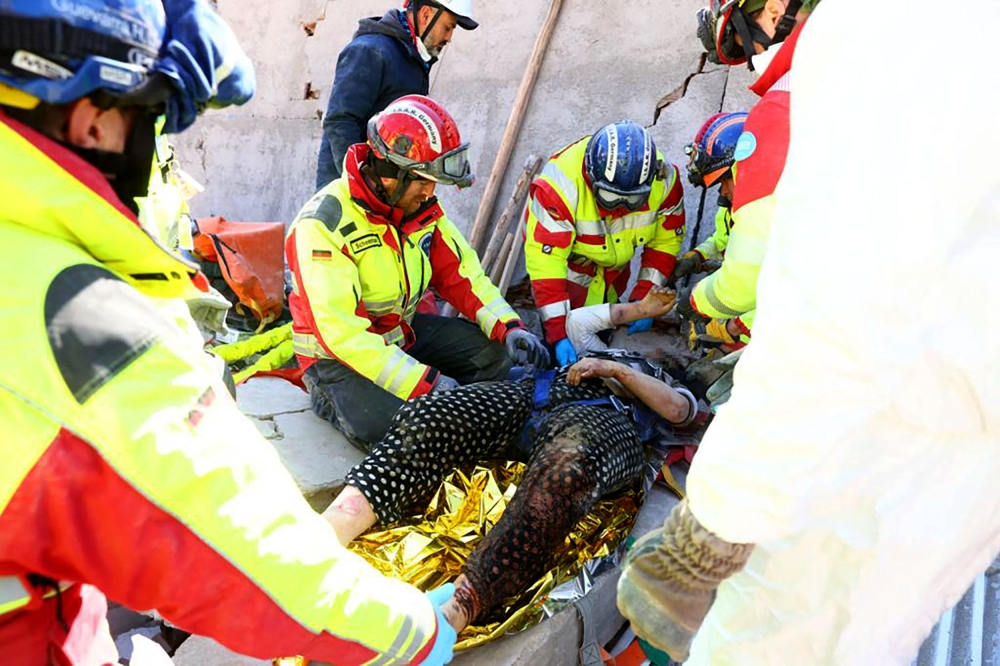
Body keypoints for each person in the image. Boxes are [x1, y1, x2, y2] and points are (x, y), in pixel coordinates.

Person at [0, 2, 456, 664]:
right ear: (92, 118)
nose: (178, 176)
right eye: (157, 128)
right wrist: (410, 631)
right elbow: (249, 549)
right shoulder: (75, 316)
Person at [617, 0, 1000, 663]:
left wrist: (716, 520)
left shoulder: (867, 41)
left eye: (743, 45)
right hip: (958, 414)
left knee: (770, 637)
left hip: (892, 417)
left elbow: (831, 310)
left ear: (767, 12)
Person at [322, 346, 699, 631]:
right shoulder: (600, 345)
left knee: (567, 471)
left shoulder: (664, 383)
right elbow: (584, 320)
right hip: (533, 396)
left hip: (605, 421)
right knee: (430, 416)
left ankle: (457, 608)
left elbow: (677, 411)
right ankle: (329, 532)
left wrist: (617, 371)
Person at [288, 94, 548, 448]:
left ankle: (464, 416)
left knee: (497, 357)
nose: (431, 192)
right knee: (407, 431)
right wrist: (426, 384)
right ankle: (329, 401)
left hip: (400, 335)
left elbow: (464, 276)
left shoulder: (419, 211)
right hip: (335, 361)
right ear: (391, 174)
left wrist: (509, 326)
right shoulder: (323, 225)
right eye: (424, 180)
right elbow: (343, 335)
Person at [677, 0, 817, 335]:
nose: (751, 66)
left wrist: (698, 304)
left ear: (774, 10)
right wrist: (697, 256)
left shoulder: (785, 105)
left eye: (746, 46)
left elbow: (747, 277)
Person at [524, 121, 687, 367]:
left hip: (611, 277)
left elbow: (665, 241)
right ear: (592, 176)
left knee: (599, 354)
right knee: (560, 354)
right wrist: (557, 333)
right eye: (610, 197)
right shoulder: (560, 187)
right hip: (568, 278)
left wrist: (644, 297)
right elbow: (546, 263)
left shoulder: (664, 181)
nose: (619, 208)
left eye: (631, 200)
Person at [316, 0, 478, 188]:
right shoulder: (370, 51)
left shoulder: (413, 59)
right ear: (425, 14)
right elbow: (340, 121)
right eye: (448, 27)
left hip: (388, 191)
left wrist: (449, 166)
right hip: (350, 193)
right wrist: (361, 180)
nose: (449, 37)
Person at [674, 111, 750, 348]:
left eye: (725, 182)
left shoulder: (778, 218)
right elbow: (723, 239)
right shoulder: (735, 206)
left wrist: (730, 329)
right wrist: (697, 256)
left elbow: (780, 294)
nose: (723, 193)